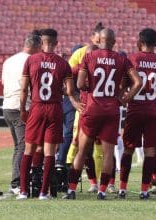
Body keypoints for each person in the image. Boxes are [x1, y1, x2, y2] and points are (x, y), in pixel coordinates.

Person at [64, 28, 142, 200]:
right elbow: (138, 82)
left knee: (82, 151)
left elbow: (79, 83)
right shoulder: (122, 59)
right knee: (108, 153)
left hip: (92, 108)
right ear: (114, 42)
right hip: (111, 110)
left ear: (98, 41)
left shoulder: (89, 56)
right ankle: (102, 191)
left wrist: (87, 89)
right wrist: (125, 99)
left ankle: (71, 190)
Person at [17, 28, 83, 200]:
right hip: (54, 108)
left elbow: (24, 88)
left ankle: (23, 191)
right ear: (56, 43)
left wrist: (22, 109)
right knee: (49, 152)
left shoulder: (31, 60)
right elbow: (69, 90)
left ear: (41, 42)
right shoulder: (63, 63)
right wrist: (58, 89)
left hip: (37, 107)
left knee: (29, 150)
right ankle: (43, 192)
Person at [118, 28, 156, 199]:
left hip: (134, 110)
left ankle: (122, 188)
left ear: (139, 42)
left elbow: (121, 85)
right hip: (153, 111)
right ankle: (144, 190)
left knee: (128, 149)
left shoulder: (132, 59)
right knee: (150, 151)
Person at [66, 23, 106, 192]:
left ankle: (100, 183)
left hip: (100, 108)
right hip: (85, 107)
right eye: (97, 39)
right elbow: (66, 76)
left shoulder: (107, 60)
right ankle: (67, 175)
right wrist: (74, 100)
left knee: (98, 146)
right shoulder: (79, 58)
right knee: (78, 142)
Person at [2, 33, 42, 195]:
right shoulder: (31, 61)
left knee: (19, 146)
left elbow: (4, 82)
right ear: (36, 47)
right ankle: (17, 182)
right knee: (23, 146)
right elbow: (30, 86)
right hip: (21, 106)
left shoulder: (9, 60)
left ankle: (17, 180)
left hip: (7, 106)